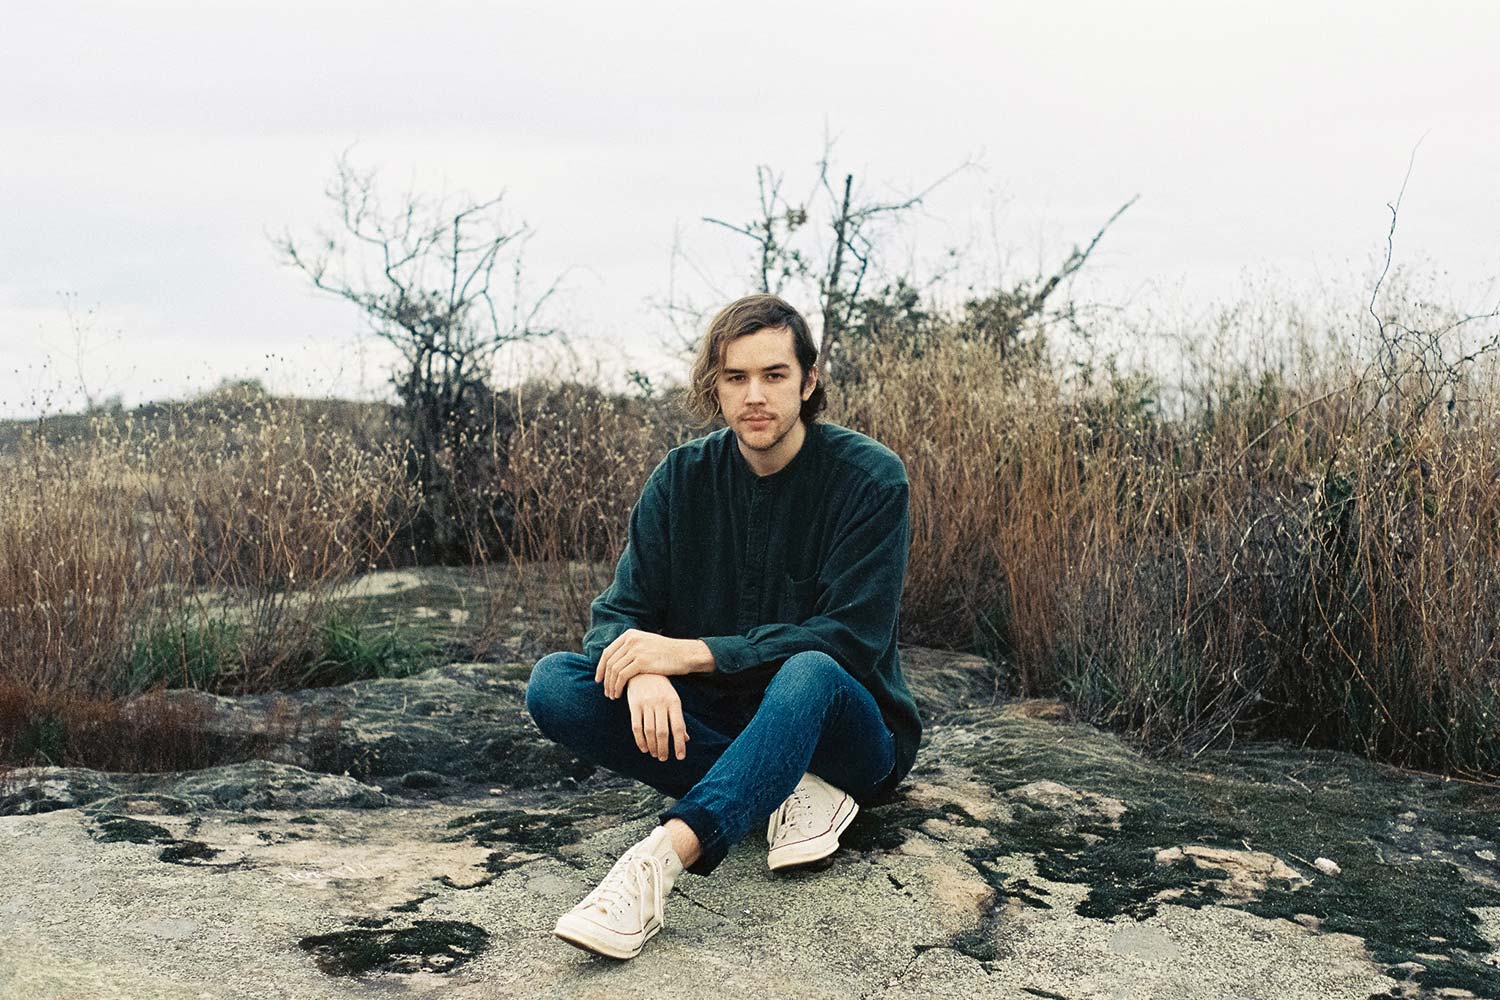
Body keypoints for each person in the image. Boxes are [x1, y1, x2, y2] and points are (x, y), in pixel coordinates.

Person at [524, 293, 921, 960]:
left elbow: (850, 640)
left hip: (848, 735)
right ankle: (778, 790)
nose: (755, 396)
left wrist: (689, 655)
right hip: (726, 729)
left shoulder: (871, 479)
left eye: (774, 375)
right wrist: (645, 668)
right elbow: (617, 615)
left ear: (809, 380)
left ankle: (656, 864)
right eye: (735, 378)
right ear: (715, 384)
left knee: (810, 669)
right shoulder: (681, 478)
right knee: (554, 685)